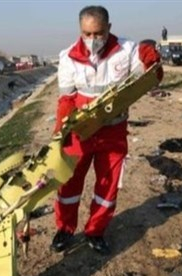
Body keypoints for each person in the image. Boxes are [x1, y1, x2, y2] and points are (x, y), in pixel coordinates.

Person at [52, 5, 163, 255]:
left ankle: (95, 231)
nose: (92, 40)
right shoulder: (68, 56)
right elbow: (66, 99)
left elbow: (151, 73)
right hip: (80, 133)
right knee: (68, 184)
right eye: (87, 34)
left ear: (109, 28)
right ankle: (65, 229)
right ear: (80, 31)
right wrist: (61, 127)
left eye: (98, 33)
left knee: (107, 187)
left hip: (112, 134)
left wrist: (150, 58)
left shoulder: (127, 51)